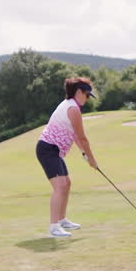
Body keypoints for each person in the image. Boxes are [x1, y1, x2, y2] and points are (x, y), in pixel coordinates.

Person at [36, 77, 99, 238]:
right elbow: (83, 137)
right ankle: (54, 227)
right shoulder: (73, 109)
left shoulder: (71, 106)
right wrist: (92, 159)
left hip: (53, 151)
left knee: (66, 183)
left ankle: (62, 220)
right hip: (48, 149)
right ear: (78, 92)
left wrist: (85, 154)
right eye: (86, 94)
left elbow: (76, 137)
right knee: (60, 186)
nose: (87, 98)